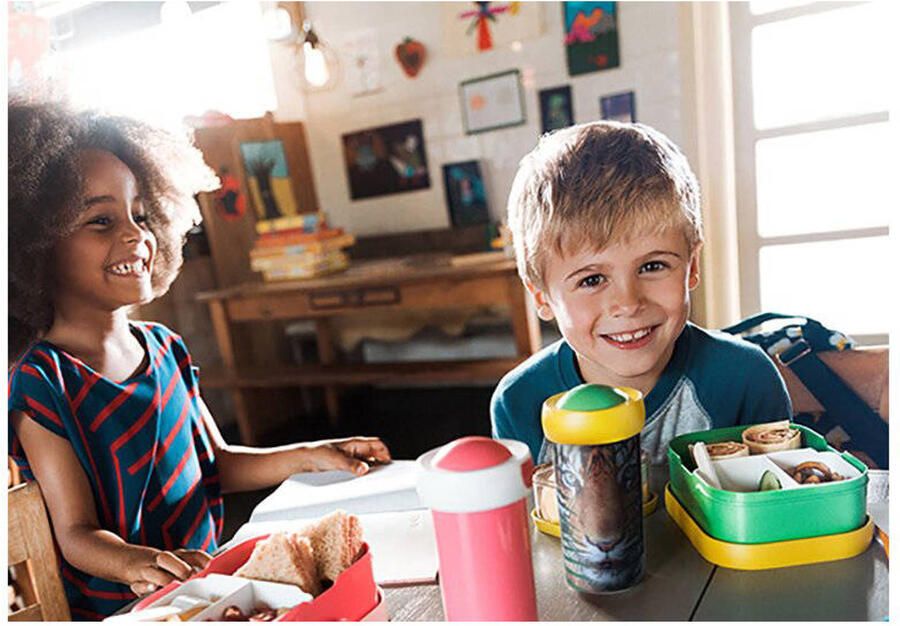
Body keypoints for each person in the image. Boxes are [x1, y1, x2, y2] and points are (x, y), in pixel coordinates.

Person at [7, 99, 391, 620]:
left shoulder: (166, 348)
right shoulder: (43, 381)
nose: (136, 235)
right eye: (101, 220)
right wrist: (138, 564)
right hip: (129, 609)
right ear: (35, 247)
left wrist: (310, 454)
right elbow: (75, 533)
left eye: (140, 214)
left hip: (208, 589)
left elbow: (216, 464)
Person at [492, 121, 792, 465]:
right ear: (542, 297)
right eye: (591, 280)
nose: (628, 303)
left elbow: (779, 503)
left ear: (692, 267)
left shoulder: (747, 379)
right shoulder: (518, 402)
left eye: (652, 267)